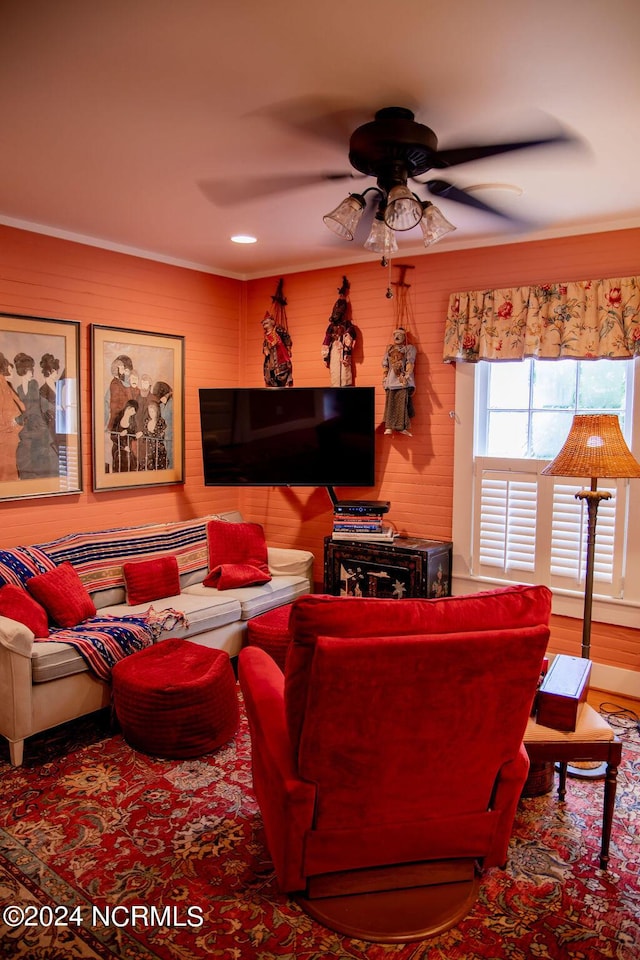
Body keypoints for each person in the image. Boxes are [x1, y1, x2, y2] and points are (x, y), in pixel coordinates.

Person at [382, 327, 416, 436]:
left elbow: (410, 363)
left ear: (404, 336)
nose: (397, 337)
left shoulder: (408, 349)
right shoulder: (390, 349)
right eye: (395, 335)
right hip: (391, 380)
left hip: (402, 380)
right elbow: (385, 365)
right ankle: (389, 426)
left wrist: (407, 375)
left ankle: (401, 426)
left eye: (400, 335)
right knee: (390, 402)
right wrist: (384, 377)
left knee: (402, 403)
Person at [321, 278, 356, 386]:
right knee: (335, 372)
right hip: (334, 350)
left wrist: (347, 339)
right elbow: (326, 340)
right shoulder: (331, 326)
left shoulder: (348, 325)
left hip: (343, 350)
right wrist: (325, 355)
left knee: (345, 374)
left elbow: (351, 336)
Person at [0, 353, 25, 482]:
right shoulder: (3, 384)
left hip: (8, 434)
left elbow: (19, 408)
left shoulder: (4, 384)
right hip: (7, 434)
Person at [262, 312, 293, 387]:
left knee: (283, 373)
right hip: (271, 359)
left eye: (266, 323)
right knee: (271, 374)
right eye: (264, 324)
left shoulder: (278, 330)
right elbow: (265, 345)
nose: (264, 325)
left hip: (281, 355)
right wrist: (265, 349)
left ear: (272, 322)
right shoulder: (266, 336)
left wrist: (288, 348)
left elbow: (286, 337)